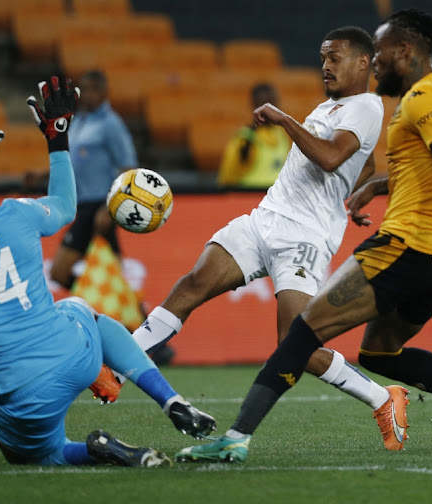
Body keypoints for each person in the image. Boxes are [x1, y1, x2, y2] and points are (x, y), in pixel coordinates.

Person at [176, 9, 432, 463]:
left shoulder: (424, 98)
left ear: (404, 51)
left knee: (302, 333)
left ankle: (236, 438)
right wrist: (375, 186)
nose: (376, 63)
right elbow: (430, 170)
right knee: (381, 355)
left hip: (403, 250)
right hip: (430, 263)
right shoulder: (422, 99)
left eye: (380, 53)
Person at [107, 26, 412, 451]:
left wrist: (284, 118)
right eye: (323, 57)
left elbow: (328, 158)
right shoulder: (335, 107)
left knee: (296, 346)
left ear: (363, 62)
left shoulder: (365, 107)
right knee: (194, 283)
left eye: (335, 57)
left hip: (304, 237)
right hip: (265, 218)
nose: (325, 65)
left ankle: (383, 397)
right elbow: (360, 158)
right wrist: (360, 190)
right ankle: (118, 370)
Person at [0, 78, 215, 467]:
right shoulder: (15, 215)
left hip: (19, 392)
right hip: (73, 355)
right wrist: (57, 141)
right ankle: (171, 400)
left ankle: (97, 453)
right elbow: (63, 204)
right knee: (78, 307)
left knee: (31, 455)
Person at [49, 69, 138, 291]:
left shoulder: (111, 124)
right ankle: (127, 315)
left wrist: (110, 208)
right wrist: (41, 176)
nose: (88, 95)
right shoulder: (78, 121)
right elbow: (72, 160)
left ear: (104, 94)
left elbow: (129, 169)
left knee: (59, 272)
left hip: (99, 207)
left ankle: (107, 309)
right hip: (81, 206)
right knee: (114, 278)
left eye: (94, 90)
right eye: (84, 89)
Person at [217, 82, 291, 189]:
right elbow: (227, 177)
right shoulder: (245, 139)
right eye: (265, 104)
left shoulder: (281, 135)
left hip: (276, 199)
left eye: (273, 104)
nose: (269, 110)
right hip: (249, 198)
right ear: (254, 105)